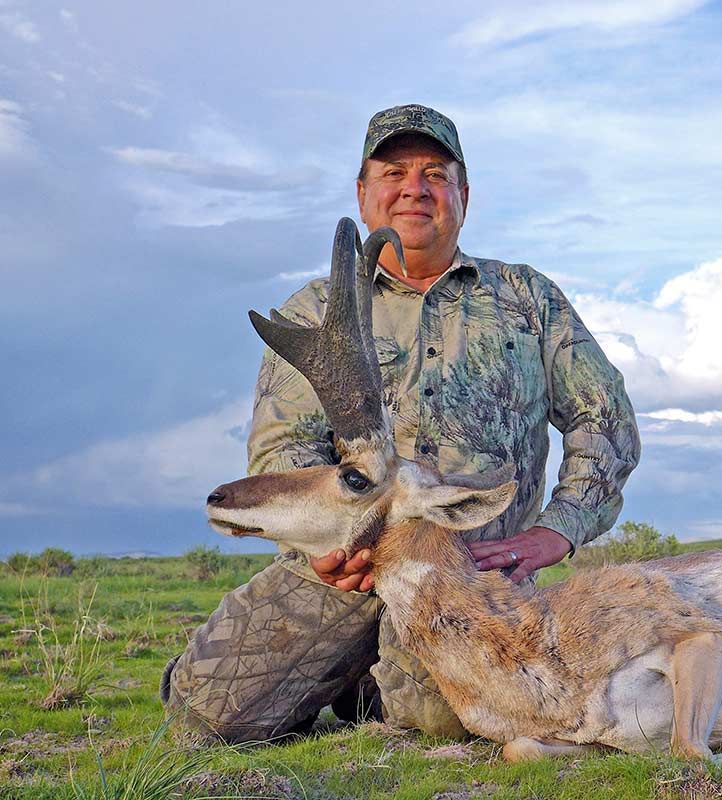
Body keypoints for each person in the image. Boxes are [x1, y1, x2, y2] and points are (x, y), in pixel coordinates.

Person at [161, 104, 640, 742]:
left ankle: (371, 685)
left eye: (435, 174)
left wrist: (559, 529)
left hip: (472, 575)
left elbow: (603, 419)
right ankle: (344, 666)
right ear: (364, 195)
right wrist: (326, 546)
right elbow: (284, 450)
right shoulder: (317, 311)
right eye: (394, 172)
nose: (415, 187)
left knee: (446, 723)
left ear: (463, 196)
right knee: (207, 718)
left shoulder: (529, 300)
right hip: (342, 569)